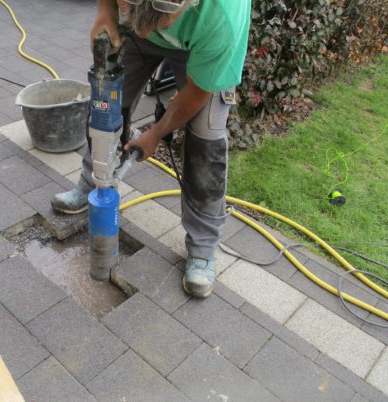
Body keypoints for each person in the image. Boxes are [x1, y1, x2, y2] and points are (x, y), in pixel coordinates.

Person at [51, 0, 251, 298]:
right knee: (106, 103)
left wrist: (156, 133)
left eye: (155, 22)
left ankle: (203, 246)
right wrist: (107, 12)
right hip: (148, 25)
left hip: (198, 44)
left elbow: (196, 93)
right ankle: (93, 183)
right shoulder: (139, 24)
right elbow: (137, 24)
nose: (144, 31)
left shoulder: (221, 15)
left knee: (205, 141)